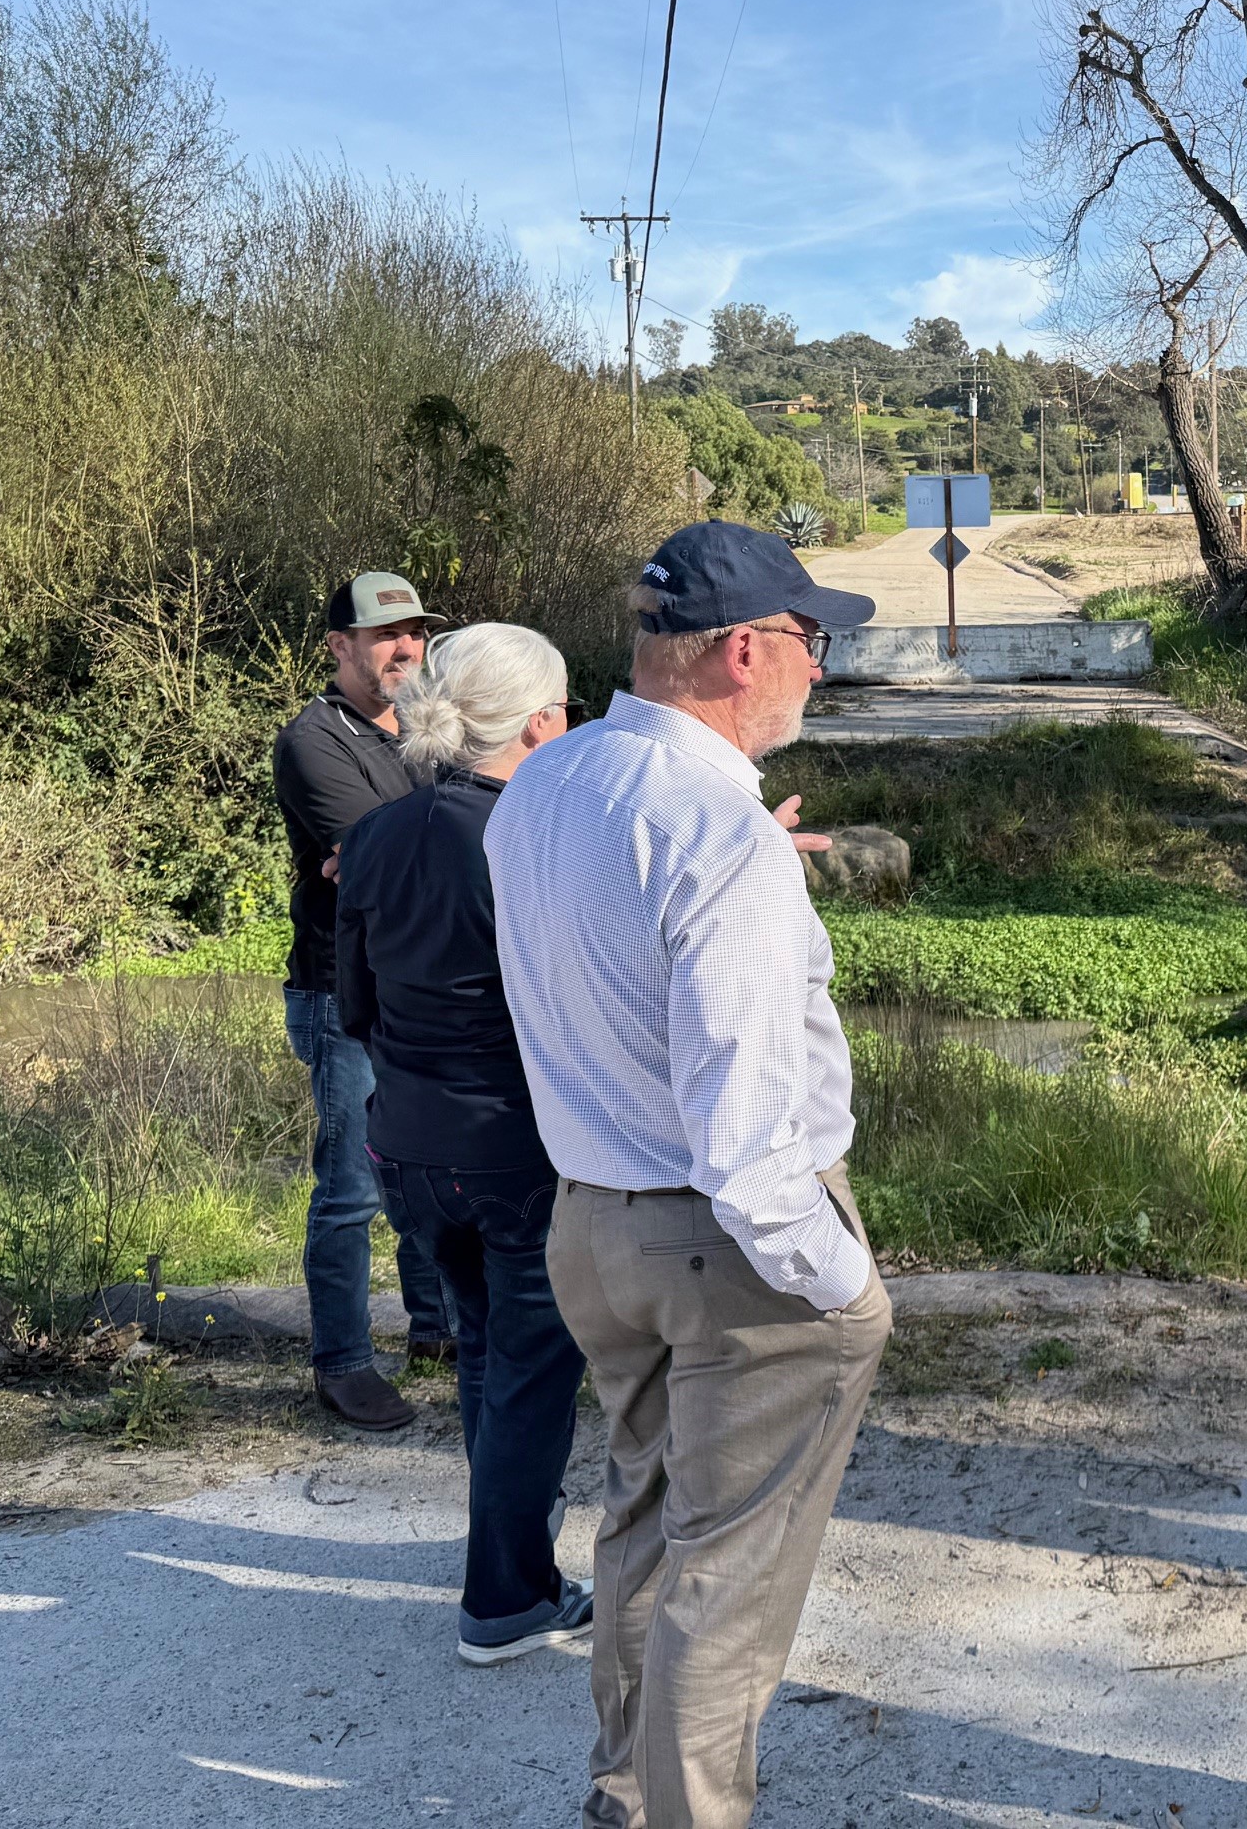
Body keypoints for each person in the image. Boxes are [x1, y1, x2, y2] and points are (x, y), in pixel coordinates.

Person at [487, 520, 885, 1829]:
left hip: (593, 1223)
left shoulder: (546, 783)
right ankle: (689, 1812)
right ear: (742, 651)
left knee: (648, 1517)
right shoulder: (721, 837)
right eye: (810, 644)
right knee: (732, 1570)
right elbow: (749, 1131)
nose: (818, 673)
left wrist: (751, 852)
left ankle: (627, 1789)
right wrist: (842, 1284)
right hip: (726, 1239)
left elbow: (611, 954)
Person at [336, 621, 594, 1666]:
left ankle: (516, 1570)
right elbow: (579, 1014)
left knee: (488, 1354)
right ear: (539, 723)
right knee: (531, 1371)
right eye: (568, 709)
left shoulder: (380, 833)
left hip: (406, 1142)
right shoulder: (536, 836)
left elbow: (355, 1004)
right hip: (515, 1149)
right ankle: (502, 1600)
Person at [272, 570, 456, 1430]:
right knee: (349, 1188)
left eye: (414, 632)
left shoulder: (428, 729)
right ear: (340, 645)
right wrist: (413, 850)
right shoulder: (314, 741)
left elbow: (428, 843)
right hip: (340, 994)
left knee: (423, 1165)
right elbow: (398, 849)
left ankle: (436, 1330)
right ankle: (342, 1361)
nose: (405, 648)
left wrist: (396, 855)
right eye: (385, 635)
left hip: (413, 981)